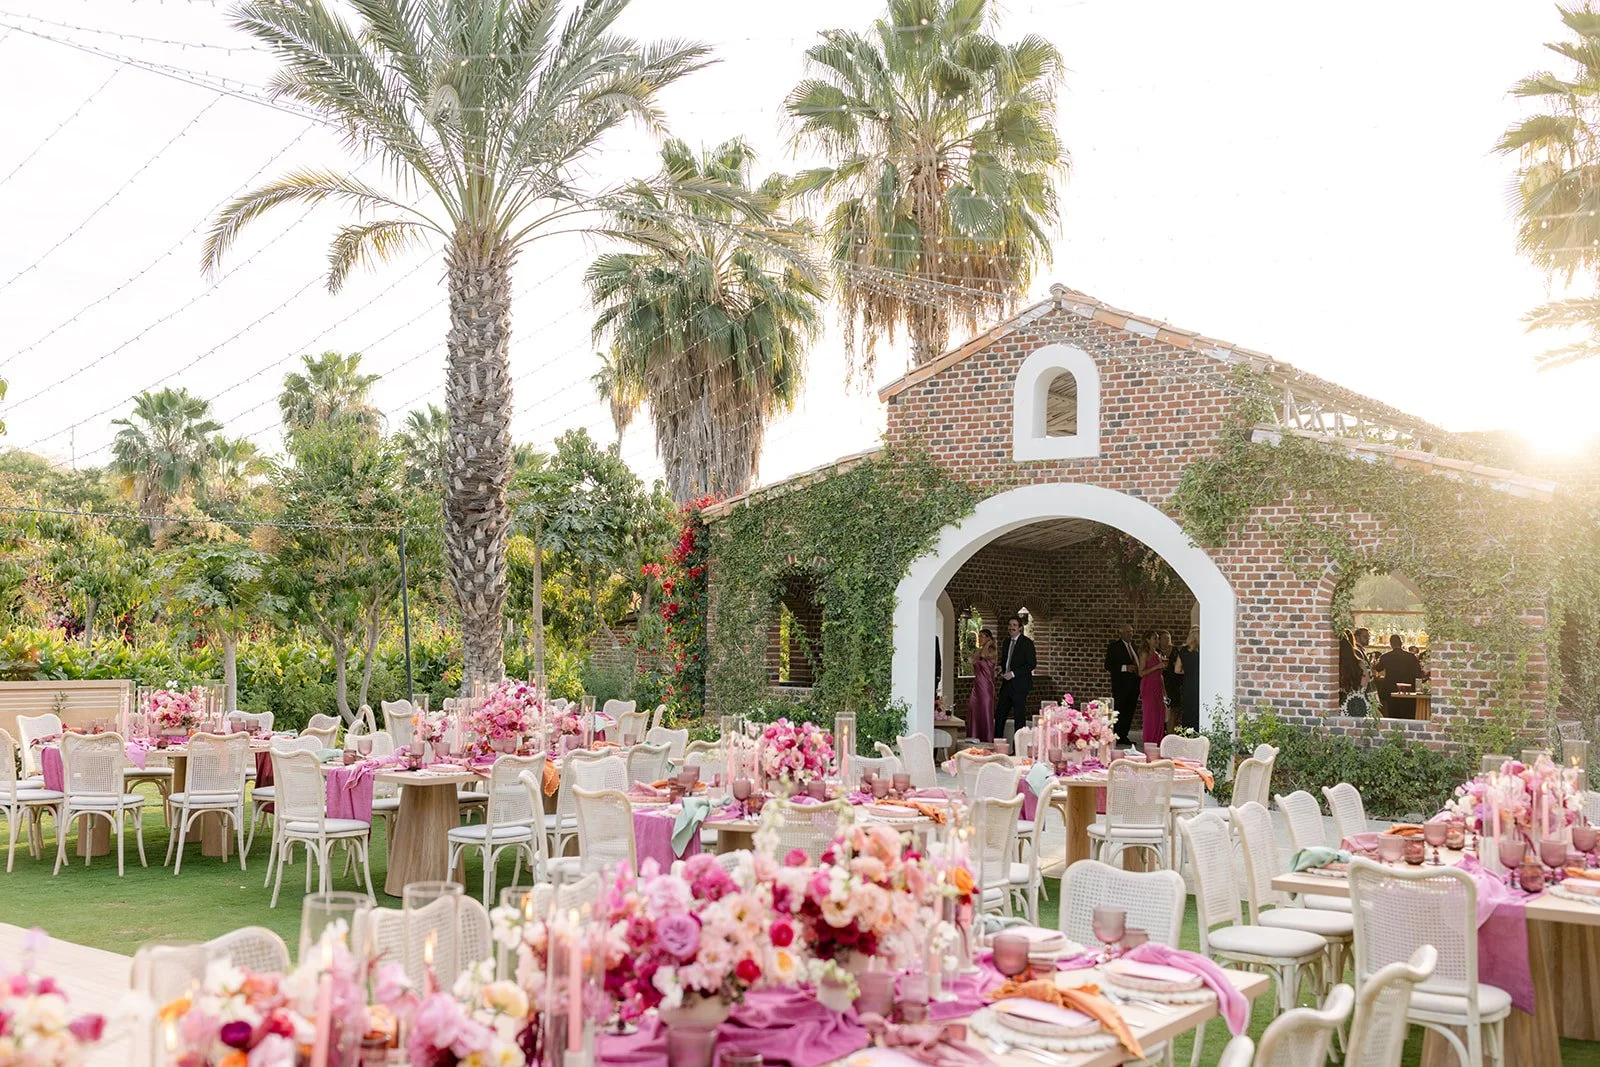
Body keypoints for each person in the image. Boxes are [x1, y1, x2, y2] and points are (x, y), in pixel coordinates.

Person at [995, 615, 1036, 741]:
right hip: (1006, 684)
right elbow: (1006, 661)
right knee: (1000, 714)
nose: (1011, 628)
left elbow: (1031, 664)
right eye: (1010, 625)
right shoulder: (1006, 642)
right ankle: (997, 742)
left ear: (1020, 628)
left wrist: (1013, 674)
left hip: (1020, 685)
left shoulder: (1027, 643)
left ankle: (1018, 747)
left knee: (1019, 718)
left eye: (1014, 625)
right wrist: (1001, 668)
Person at [1104, 623, 1140, 744]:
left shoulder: (1134, 646)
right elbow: (1108, 665)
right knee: (1120, 710)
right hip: (1121, 685)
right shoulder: (1114, 647)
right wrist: (1125, 668)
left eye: (1131, 632)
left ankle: (1124, 735)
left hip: (1134, 684)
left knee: (1129, 711)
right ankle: (1117, 735)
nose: (1130, 634)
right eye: (1127, 632)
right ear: (1121, 633)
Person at [1375, 634, 1427, 718]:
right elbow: (1418, 673)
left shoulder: (1385, 657)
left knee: (1393, 715)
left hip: (1391, 690)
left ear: (1391, 644)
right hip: (1408, 690)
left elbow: (1377, 668)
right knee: (1408, 715)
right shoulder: (1411, 657)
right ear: (1401, 643)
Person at [967, 629, 998, 743]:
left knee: (985, 711)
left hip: (986, 686)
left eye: (982, 636)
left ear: (988, 638)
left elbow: (987, 660)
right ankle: (974, 735)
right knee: (973, 708)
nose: (979, 639)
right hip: (977, 686)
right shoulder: (979, 652)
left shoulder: (991, 650)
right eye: (978, 636)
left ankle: (987, 738)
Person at [1173, 627, 1200, 732]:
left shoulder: (1183, 651)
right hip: (1199, 683)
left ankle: (1187, 732)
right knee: (1197, 709)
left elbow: (1177, 670)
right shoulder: (1202, 651)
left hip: (1188, 683)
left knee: (1187, 709)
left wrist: (1188, 671)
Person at [1160, 629, 1182, 729]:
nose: (1167, 640)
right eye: (1164, 638)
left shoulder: (1175, 650)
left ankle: (1171, 729)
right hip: (1161, 681)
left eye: (1169, 638)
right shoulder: (1157, 651)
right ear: (1159, 640)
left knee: (1174, 707)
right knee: (1162, 707)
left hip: (1174, 682)